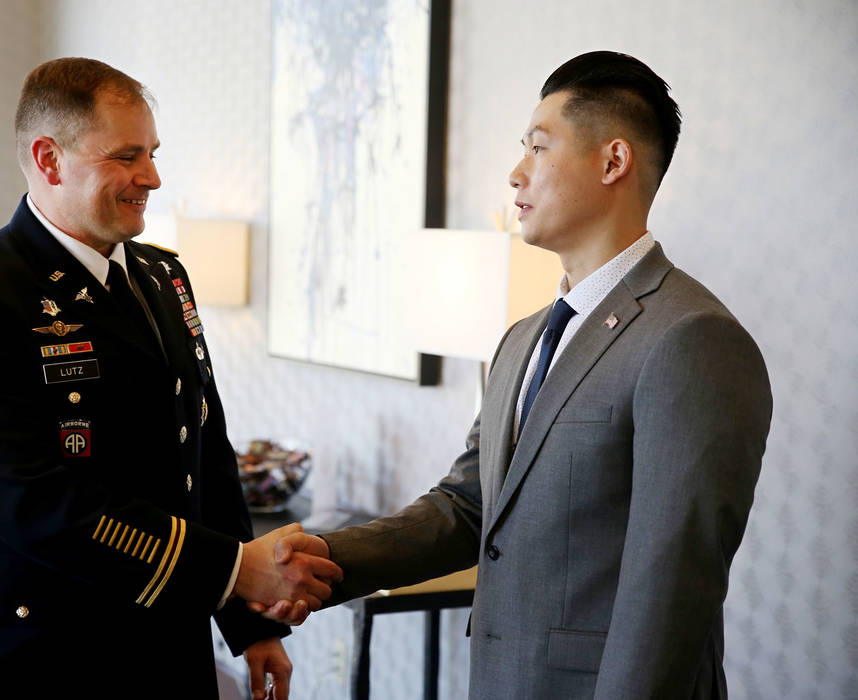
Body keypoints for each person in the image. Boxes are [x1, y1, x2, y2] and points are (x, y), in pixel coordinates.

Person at [259, 51, 773, 698]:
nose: (514, 173)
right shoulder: (523, 337)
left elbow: (670, 596)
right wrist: (322, 559)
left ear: (613, 161)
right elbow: (468, 508)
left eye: (537, 147)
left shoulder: (691, 339)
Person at [0, 57, 340, 700]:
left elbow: (206, 454)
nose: (153, 177)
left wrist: (249, 624)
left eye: (153, 153)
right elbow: (35, 501)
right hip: (33, 657)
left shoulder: (163, 277)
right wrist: (233, 571)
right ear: (49, 160)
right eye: (127, 156)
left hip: (164, 648)